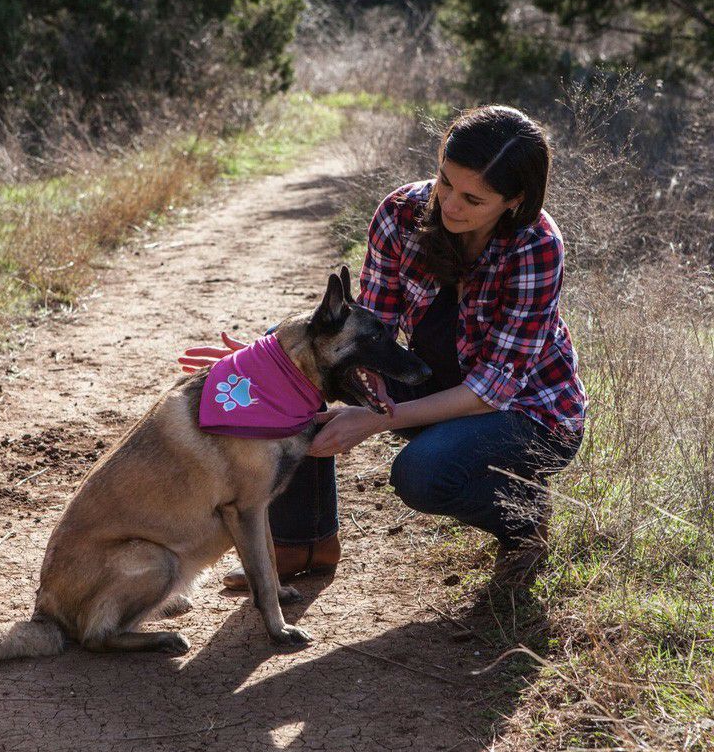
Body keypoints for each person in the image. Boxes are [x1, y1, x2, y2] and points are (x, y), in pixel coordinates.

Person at [179, 105, 587, 589]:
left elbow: (491, 389)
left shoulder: (536, 244)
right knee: (298, 371)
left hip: (528, 412)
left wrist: (376, 418)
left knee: (421, 474)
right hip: (434, 382)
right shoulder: (401, 213)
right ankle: (302, 542)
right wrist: (268, 363)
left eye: (473, 199)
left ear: (514, 201)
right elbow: (364, 336)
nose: (450, 204)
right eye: (445, 181)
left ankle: (525, 517)